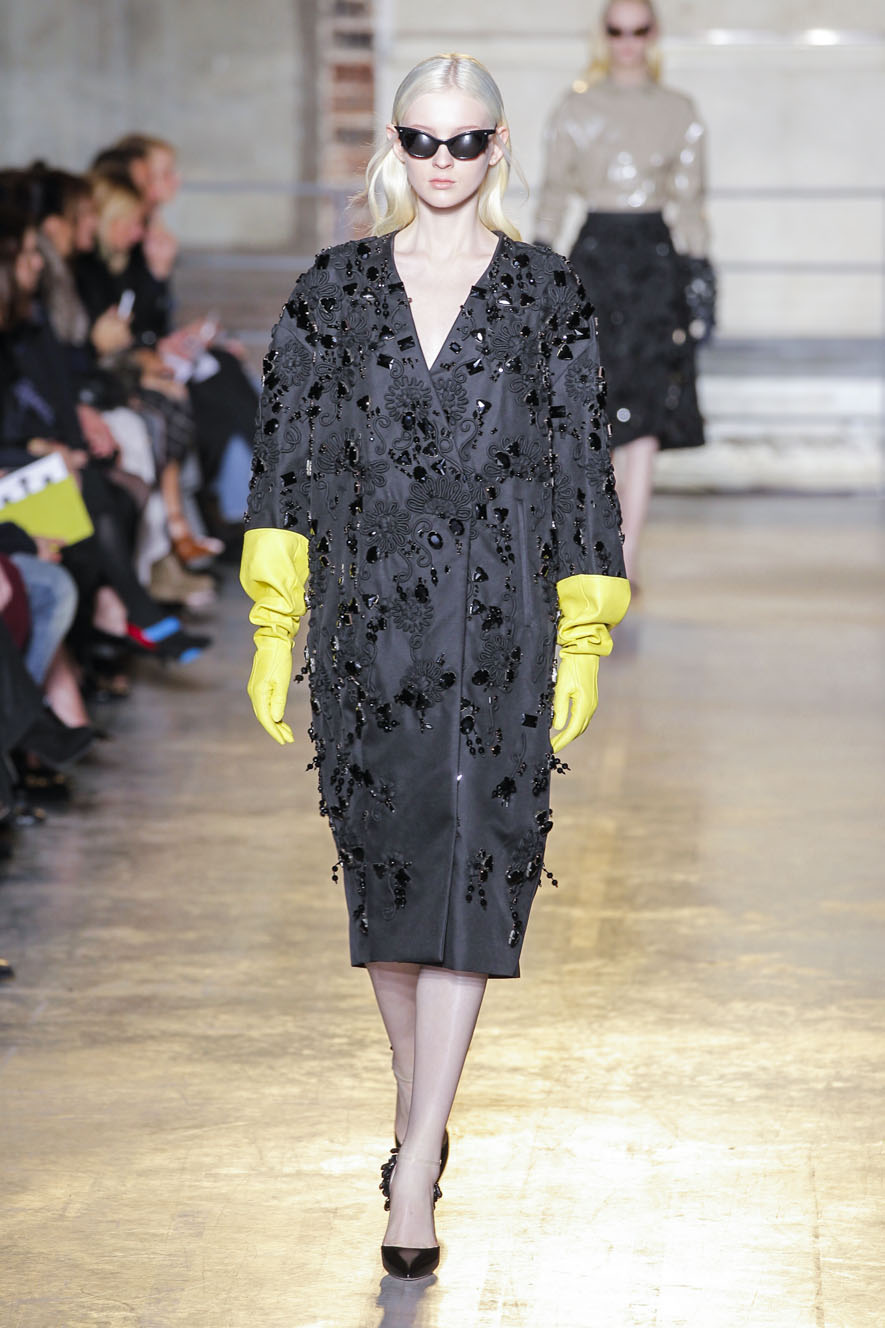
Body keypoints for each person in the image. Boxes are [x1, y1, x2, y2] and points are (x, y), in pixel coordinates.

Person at [240, 52, 631, 1281]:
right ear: (395, 144)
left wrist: (584, 627)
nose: (443, 161)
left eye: (465, 141)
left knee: (472, 874)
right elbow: (285, 454)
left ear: (498, 146)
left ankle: (413, 1164)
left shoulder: (546, 293)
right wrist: (273, 621)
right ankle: (424, 1109)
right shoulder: (334, 290)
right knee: (392, 888)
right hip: (369, 627)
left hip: (502, 620)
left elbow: (581, 465)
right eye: (422, 139)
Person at [535, 0, 715, 581]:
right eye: (617, 30)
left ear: (654, 33)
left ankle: (626, 556)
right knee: (595, 404)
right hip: (597, 258)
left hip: (656, 261)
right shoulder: (577, 107)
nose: (628, 41)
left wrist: (700, 271)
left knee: (647, 413)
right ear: (603, 34)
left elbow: (690, 199)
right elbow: (555, 190)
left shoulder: (679, 111)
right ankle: (600, 547)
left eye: (639, 30)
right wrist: (538, 261)